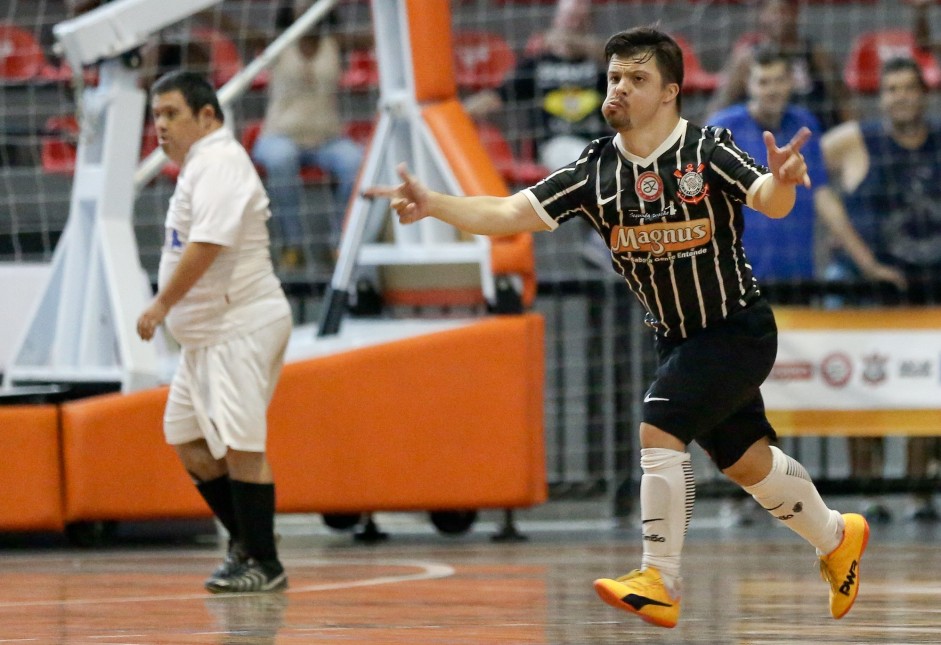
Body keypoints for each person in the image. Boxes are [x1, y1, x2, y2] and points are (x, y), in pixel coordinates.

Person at [367, 26, 868, 628]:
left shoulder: (706, 149)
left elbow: (767, 198)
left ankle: (660, 577)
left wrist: (784, 181)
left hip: (736, 328)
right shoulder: (593, 170)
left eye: (636, 78)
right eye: (613, 77)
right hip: (679, 337)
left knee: (659, 426)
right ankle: (837, 536)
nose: (619, 89)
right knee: (747, 463)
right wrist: (435, 203)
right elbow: (504, 212)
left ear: (670, 93)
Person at [136, 71, 292, 593]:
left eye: (171, 114)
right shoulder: (200, 165)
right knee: (185, 435)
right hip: (207, 335)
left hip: (239, 325)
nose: (160, 125)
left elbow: (208, 243)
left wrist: (160, 305)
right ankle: (244, 542)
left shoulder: (221, 161)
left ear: (207, 116)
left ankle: (265, 563)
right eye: (155, 115)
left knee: (242, 444)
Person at [821, 56, 941, 523]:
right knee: (862, 390)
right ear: (882, 96)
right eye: (891, 89)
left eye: (908, 88)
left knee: (926, 392)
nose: (900, 97)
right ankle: (869, 492)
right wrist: (862, 256)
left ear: (923, 93)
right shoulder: (859, 139)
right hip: (868, 287)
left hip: (926, 287)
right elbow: (809, 177)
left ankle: (917, 491)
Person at [708, 46, 905, 285]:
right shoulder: (723, 128)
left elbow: (823, 197)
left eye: (779, 80)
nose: (772, 90)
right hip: (737, 277)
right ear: (749, 85)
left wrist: (868, 264)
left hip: (797, 275)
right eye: (763, 82)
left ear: (792, 82)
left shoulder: (803, 124)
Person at [251, 1, 365, 271]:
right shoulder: (277, 43)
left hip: (327, 140)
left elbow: (379, 36)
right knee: (281, 158)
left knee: (356, 161)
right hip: (279, 136)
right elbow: (235, 29)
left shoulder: (336, 43)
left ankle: (339, 243)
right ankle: (293, 245)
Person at [463, 0, 608, 171]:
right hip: (554, 144)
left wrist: (581, 45)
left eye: (581, 18)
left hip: (599, 143)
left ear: (590, 22)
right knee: (580, 159)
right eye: (570, 17)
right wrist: (458, 113)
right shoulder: (537, 63)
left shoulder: (601, 64)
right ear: (557, 19)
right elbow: (497, 96)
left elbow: (626, 59)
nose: (574, 25)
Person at [706, 0, 853, 131]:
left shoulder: (817, 55)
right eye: (771, 12)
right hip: (759, 140)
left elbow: (844, 104)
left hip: (813, 138)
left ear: (796, 14)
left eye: (784, 10)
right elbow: (719, 106)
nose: (778, 18)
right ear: (761, 16)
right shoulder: (746, 59)